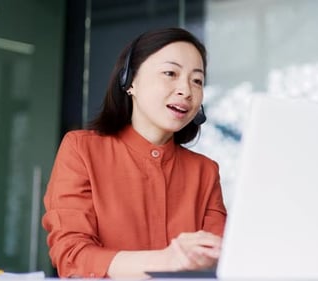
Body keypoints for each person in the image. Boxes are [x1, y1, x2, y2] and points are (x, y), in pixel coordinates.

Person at [41, 27, 227, 279]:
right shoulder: (82, 149)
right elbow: (72, 256)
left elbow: (220, 261)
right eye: (170, 73)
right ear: (130, 82)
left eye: (197, 80)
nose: (186, 90)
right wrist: (165, 261)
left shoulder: (205, 171)